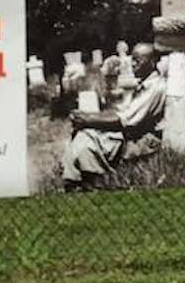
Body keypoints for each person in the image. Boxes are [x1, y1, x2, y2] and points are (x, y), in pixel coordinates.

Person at [61, 42, 165, 189]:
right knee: (85, 134)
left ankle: (87, 181)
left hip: (142, 140)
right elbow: (119, 111)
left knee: (87, 138)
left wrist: (87, 119)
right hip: (131, 132)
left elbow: (125, 120)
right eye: (132, 60)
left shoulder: (156, 88)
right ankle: (79, 178)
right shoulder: (143, 84)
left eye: (138, 61)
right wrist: (87, 116)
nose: (133, 65)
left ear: (152, 62)